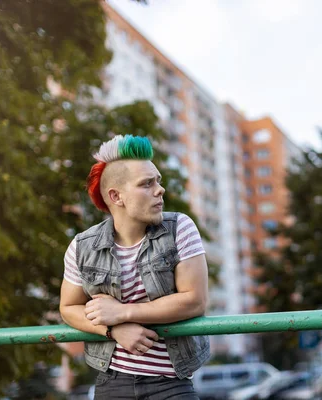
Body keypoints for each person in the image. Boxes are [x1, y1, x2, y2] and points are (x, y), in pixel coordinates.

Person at [59, 134, 210, 399]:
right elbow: (69, 308)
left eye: (158, 182)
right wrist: (112, 329)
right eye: (147, 184)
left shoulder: (179, 229)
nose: (159, 190)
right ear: (116, 196)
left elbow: (194, 301)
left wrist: (122, 313)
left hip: (171, 382)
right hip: (112, 382)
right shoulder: (82, 246)